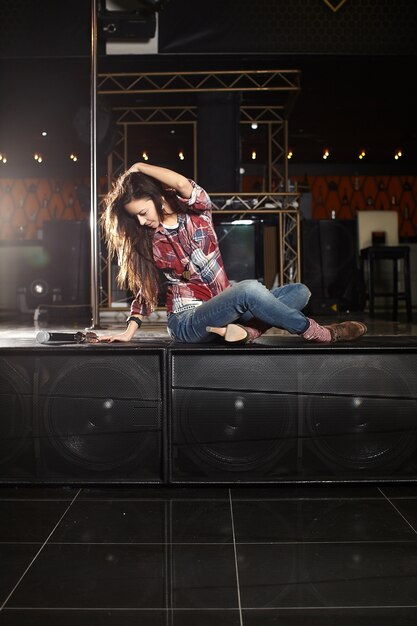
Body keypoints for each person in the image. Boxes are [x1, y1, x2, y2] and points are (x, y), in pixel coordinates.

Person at [99, 162, 367, 344]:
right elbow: (143, 292)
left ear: (156, 198)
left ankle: (246, 332)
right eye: (136, 218)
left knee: (300, 292)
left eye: (143, 213)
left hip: (225, 310)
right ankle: (320, 333)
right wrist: (129, 330)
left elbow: (182, 184)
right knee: (249, 290)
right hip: (188, 321)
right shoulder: (148, 242)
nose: (142, 222)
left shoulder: (198, 213)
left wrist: (139, 168)